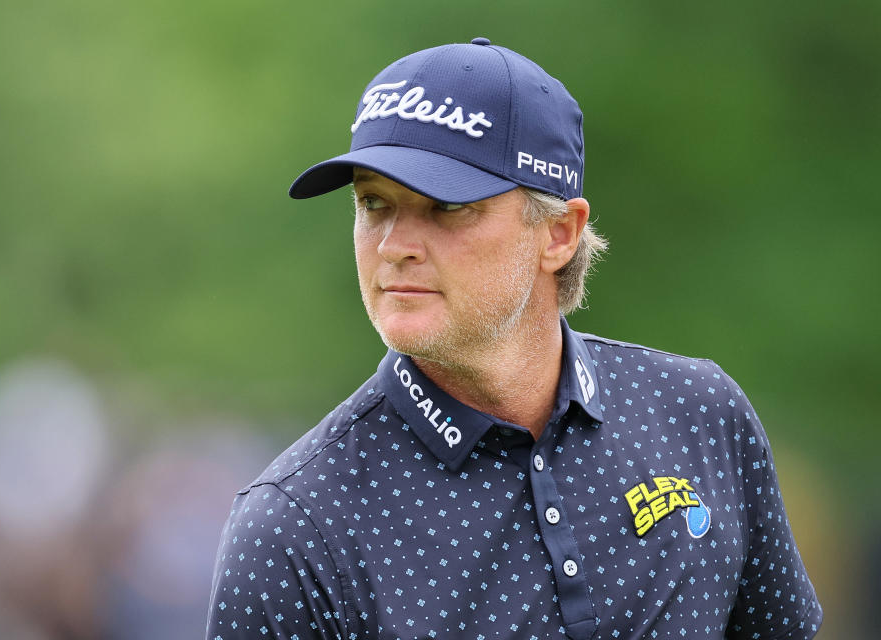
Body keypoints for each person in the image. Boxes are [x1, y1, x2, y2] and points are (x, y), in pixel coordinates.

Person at [206, 38, 822, 639]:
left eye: (446, 207)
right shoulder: (294, 528)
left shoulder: (700, 414)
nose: (394, 247)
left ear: (557, 234)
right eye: (374, 204)